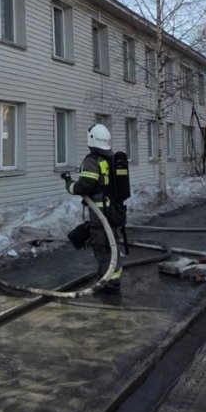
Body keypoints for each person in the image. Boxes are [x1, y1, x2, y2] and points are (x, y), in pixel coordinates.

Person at [62, 123, 122, 292]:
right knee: (113, 245)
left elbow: (84, 186)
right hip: (114, 211)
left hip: (100, 213)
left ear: (92, 139)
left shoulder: (92, 160)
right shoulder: (111, 159)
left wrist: (68, 183)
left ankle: (106, 281)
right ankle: (114, 277)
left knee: (101, 246)